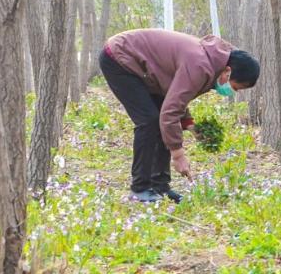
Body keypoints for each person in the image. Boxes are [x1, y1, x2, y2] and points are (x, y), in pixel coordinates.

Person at [99, 29, 260, 203]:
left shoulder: (211, 65)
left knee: (161, 119)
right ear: (227, 71)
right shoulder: (200, 65)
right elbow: (170, 112)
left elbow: (177, 97)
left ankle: (160, 186)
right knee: (150, 121)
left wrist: (189, 124)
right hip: (120, 57)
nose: (232, 92)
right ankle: (140, 188)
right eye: (236, 87)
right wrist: (178, 155)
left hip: (147, 70)